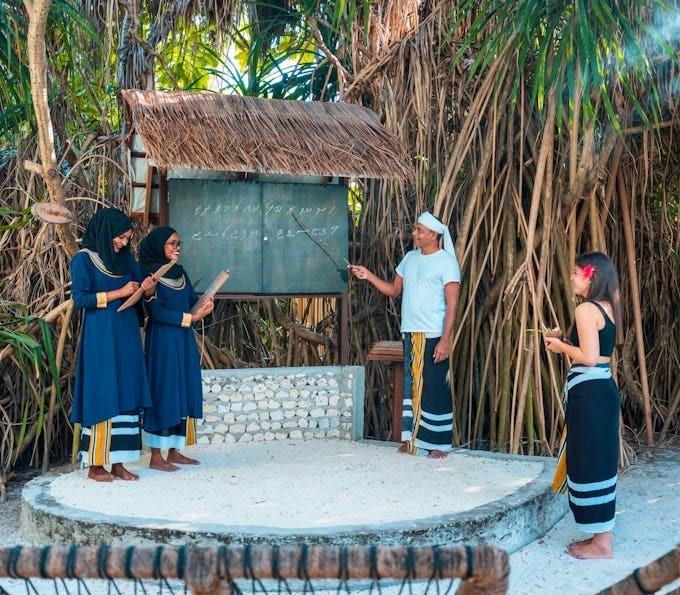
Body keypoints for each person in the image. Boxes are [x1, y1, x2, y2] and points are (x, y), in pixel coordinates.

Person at [350, 212, 461, 458]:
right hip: (411, 331)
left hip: (433, 333)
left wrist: (445, 340)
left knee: (435, 387)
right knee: (413, 385)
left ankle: (439, 445)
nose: (414, 233)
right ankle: (415, 441)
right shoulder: (410, 258)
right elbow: (393, 289)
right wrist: (368, 275)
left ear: (433, 234)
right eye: (415, 229)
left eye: (419, 230)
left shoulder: (446, 262)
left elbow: (452, 304)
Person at [544, 252, 623, 559]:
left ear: (592, 275)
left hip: (589, 393)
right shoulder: (609, 306)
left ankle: (602, 544)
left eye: (577, 272)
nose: (572, 277)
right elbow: (598, 350)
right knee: (599, 459)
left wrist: (560, 347)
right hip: (602, 390)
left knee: (589, 460)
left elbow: (588, 357)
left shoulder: (585, 309)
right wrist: (564, 340)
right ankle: (601, 536)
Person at [70, 207, 156, 482]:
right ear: (106, 232)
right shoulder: (83, 259)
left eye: (127, 238)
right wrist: (118, 292)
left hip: (126, 334)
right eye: (120, 237)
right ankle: (96, 465)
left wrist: (147, 289)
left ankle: (119, 462)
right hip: (100, 337)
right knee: (102, 389)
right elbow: (80, 299)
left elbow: (139, 291)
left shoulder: (127, 259)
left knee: (126, 389)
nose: (123, 242)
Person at [139, 226, 213, 472]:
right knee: (164, 391)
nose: (177, 248)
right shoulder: (149, 274)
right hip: (162, 342)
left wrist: (204, 307)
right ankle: (156, 456)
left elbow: (191, 303)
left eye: (179, 243)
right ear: (158, 245)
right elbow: (156, 312)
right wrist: (190, 318)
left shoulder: (180, 273)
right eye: (172, 243)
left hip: (183, 340)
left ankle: (174, 451)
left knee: (181, 389)